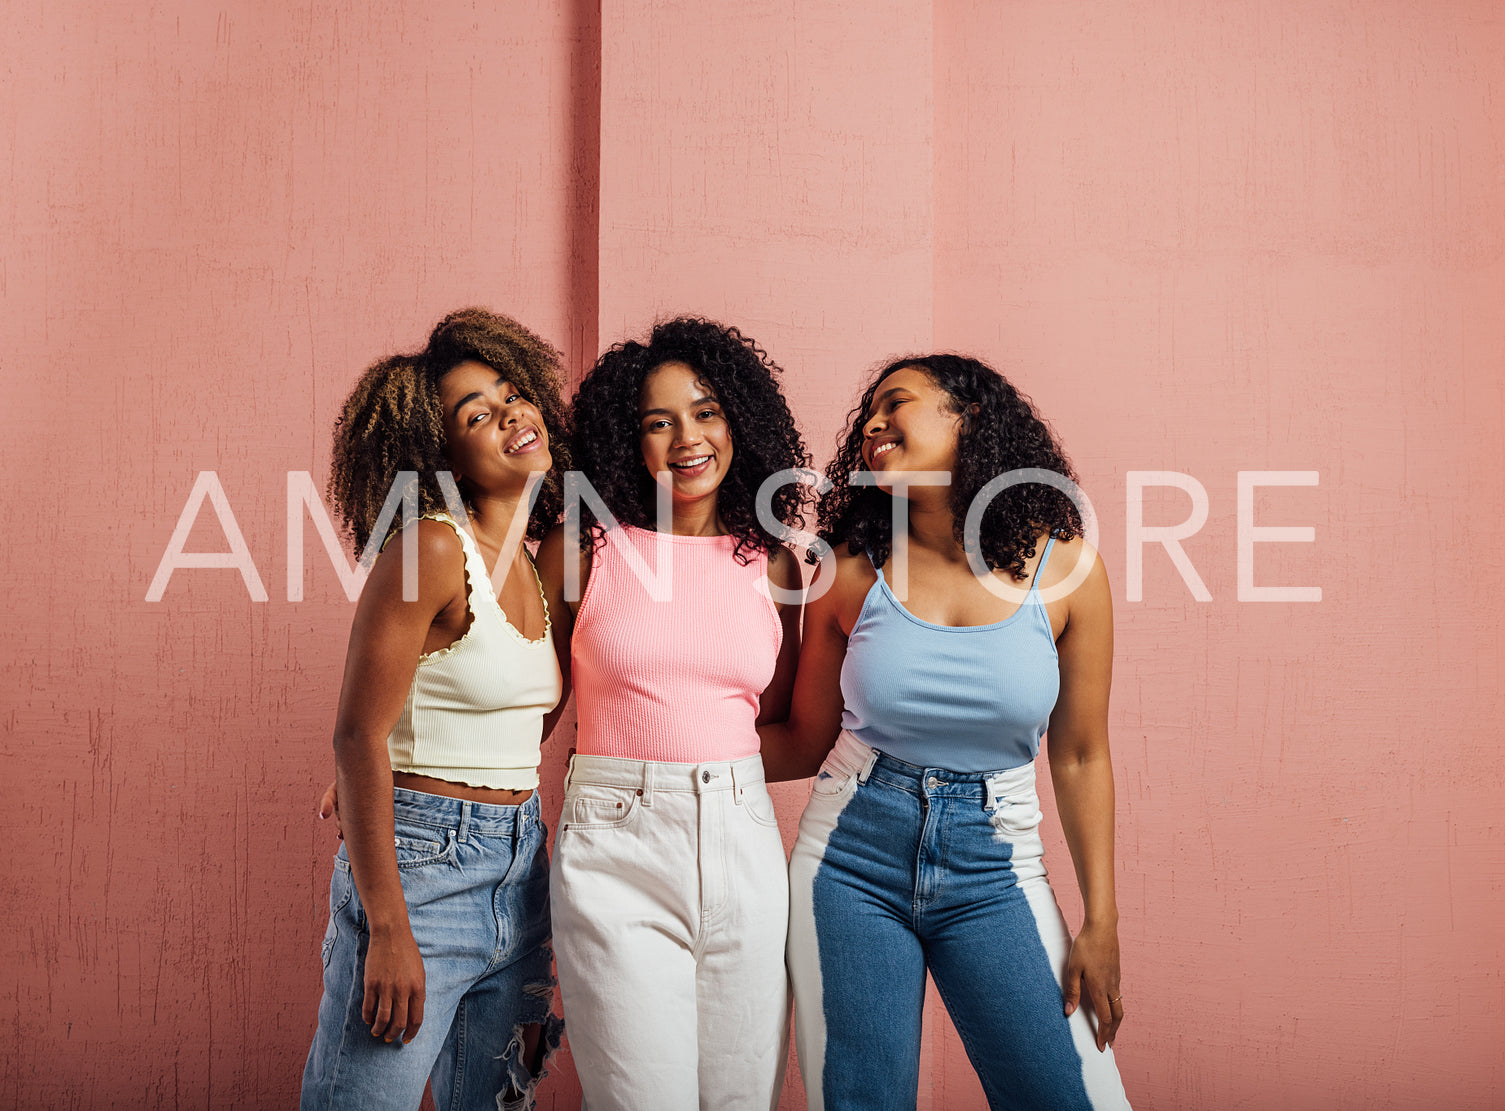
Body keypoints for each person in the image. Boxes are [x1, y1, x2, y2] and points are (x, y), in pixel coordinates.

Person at [762, 355, 1133, 1110]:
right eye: (865, 412)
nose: (870, 423)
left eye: (894, 402)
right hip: (849, 859)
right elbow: (803, 735)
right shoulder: (849, 570)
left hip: (996, 865)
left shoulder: (1066, 568)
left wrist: (1102, 917)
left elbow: (1082, 752)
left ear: (968, 416)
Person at [532, 317, 808, 1111]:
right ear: (629, 438)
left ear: (740, 423)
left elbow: (782, 726)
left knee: (738, 1101)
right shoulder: (582, 548)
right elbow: (532, 706)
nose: (687, 438)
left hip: (740, 840)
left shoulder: (776, 561)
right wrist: (404, 774)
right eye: (658, 421)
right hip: (613, 841)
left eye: (705, 411)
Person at [302, 309, 569, 1111]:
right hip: (424, 868)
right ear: (439, 453)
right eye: (476, 415)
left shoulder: (533, 558)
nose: (510, 415)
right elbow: (356, 733)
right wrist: (387, 924)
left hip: (522, 866)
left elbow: (521, 714)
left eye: (512, 394)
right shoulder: (430, 546)